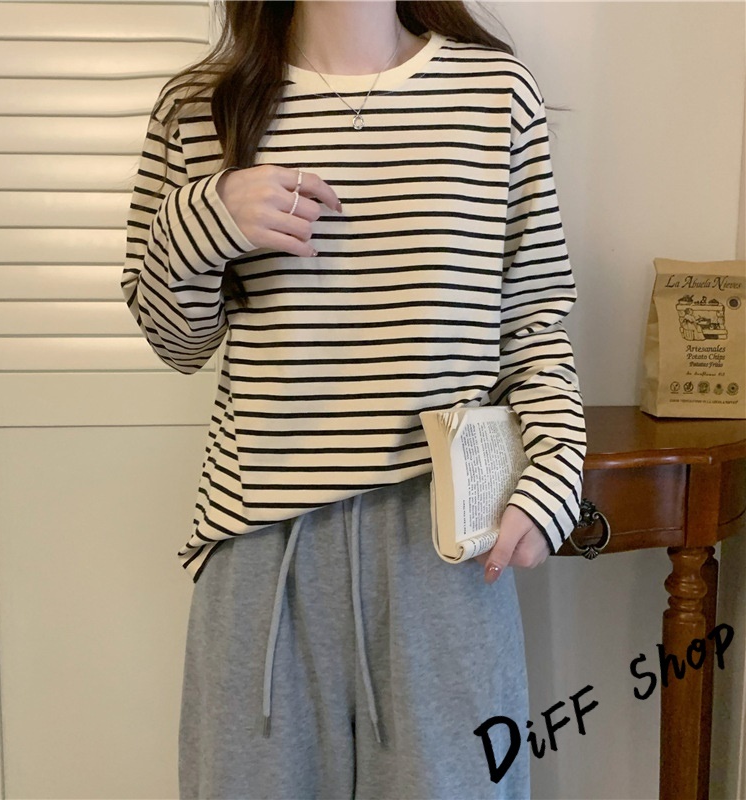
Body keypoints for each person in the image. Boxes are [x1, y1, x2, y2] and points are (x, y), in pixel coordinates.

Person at [121, 1, 587, 797]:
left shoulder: (494, 93)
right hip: (262, 554)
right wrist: (210, 216)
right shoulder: (202, 109)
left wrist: (555, 472)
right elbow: (176, 342)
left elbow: (533, 322)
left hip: (446, 549)